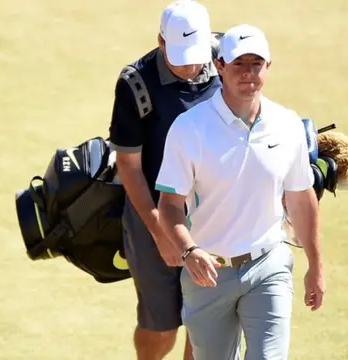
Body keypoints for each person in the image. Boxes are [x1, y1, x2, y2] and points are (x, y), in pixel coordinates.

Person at [154, 23, 326, 360]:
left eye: (256, 64)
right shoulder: (189, 129)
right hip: (208, 273)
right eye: (238, 64)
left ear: (268, 67)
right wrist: (189, 252)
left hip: (268, 264)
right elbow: (170, 206)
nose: (248, 73)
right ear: (219, 67)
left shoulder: (287, 124)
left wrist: (316, 266)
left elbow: (301, 199)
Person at [107, 1, 222, 359]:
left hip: (214, 211)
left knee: (204, 321)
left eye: (197, 54)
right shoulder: (135, 82)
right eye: (181, 55)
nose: (191, 66)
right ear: (161, 41)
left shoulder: (227, 61)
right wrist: (161, 232)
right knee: (161, 326)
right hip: (153, 215)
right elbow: (129, 165)